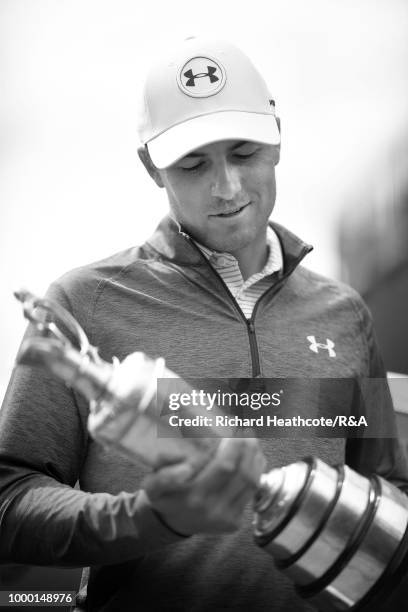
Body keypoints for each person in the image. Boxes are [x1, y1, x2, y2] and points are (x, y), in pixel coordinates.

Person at [0, 36, 407, 612]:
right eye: (193, 165)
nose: (228, 188)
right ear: (151, 167)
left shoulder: (344, 314)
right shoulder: (82, 304)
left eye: (244, 153)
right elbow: (9, 501)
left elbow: (389, 495)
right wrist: (146, 518)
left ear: (277, 139)